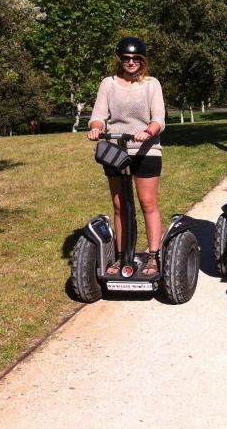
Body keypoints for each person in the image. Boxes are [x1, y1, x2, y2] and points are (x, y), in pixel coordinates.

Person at [87, 37, 166, 276]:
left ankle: (153, 256)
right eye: (126, 59)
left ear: (142, 61)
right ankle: (122, 257)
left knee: (147, 203)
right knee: (120, 206)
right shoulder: (108, 84)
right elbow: (98, 114)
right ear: (120, 60)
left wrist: (148, 132)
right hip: (115, 149)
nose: (130, 63)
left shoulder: (151, 84)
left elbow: (159, 119)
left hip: (146, 149)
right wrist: (95, 127)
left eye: (135, 59)